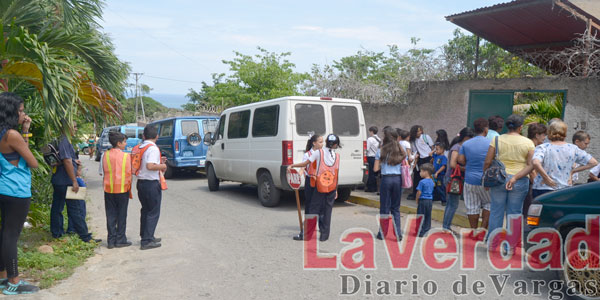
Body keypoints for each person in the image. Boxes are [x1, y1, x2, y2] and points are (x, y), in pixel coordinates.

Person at [0, 92, 40, 294]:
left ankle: (2, 277)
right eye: (21, 110)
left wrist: (24, 129)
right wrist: (24, 132)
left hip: (3, 187)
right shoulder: (12, 135)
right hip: (17, 190)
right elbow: (32, 161)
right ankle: (14, 282)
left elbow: (17, 152)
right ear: (10, 112)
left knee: (4, 233)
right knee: (11, 236)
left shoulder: (3, 134)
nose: (23, 114)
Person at [484, 114, 535, 251]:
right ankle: (509, 246)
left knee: (496, 211)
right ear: (521, 127)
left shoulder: (496, 140)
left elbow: (488, 161)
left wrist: (486, 179)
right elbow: (530, 165)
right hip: (519, 179)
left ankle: (492, 244)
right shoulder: (528, 143)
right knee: (515, 213)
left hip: (499, 179)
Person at [50, 121, 100, 243]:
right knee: (75, 208)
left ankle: (57, 233)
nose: (76, 129)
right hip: (66, 180)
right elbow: (67, 161)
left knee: (57, 207)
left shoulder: (59, 140)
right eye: (74, 127)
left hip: (59, 179)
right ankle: (85, 236)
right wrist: (74, 181)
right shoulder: (65, 141)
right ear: (67, 128)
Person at [287, 134, 341, 242]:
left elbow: (306, 163)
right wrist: (336, 189)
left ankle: (306, 235)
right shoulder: (337, 156)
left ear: (326, 141)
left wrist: (292, 165)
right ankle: (324, 235)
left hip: (320, 185)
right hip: (331, 186)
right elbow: (336, 173)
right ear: (335, 145)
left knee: (313, 210)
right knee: (327, 210)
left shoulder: (318, 153)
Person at [532, 121, 598, 198]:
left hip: (543, 187)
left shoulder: (543, 147)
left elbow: (536, 162)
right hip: (564, 189)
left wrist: (546, 177)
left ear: (549, 132)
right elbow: (593, 162)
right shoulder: (573, 149)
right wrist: (572, 171)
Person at [99, 132, 132, 249]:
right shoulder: (126, 156)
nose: (126, 144)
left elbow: (101, 172)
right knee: (121, 215)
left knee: (111, 215)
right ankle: (120, 239)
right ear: (119, 143)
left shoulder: (105, 155)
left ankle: (111, 241)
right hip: (122, 189)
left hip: (108, 189)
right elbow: (129, 174)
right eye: (124, 142)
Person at [136, 125, 167, 250]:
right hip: (151, 183)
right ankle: (147, 241)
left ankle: (146, 235)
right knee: (153, 212)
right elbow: (150, 165)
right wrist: (162, 166)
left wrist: (158, 162)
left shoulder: (141, 147)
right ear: (157, 136)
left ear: (143, 136)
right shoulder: (153, 148)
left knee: (145, 210)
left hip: (141, 182)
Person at [457, 118, 491, 229]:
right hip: (487, 181)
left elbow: (461, 160)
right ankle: (483, 229)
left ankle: (474, 230)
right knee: (489, 204)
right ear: (485, 130)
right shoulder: (491, 143)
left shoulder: (466, 144)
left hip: (470, 179)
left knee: (472, 206)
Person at [374, 130, 406, 240]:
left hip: (386, 179)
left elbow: (375, 168)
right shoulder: (399, 151)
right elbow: (405, 157)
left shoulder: (380, 151)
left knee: (384, 208)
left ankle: (382, 233)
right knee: (396, 208)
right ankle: (398, 234)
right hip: (397, 179)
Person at [442, 127, 474, 232]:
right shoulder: (457, 147)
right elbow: (452, 164)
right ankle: (446, 227)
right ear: (465, 137)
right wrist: (465, 168)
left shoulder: (459, 146)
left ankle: (445, 226)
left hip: (452, 178)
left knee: (450, 204)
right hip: (453, 179)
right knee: (453, 205)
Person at [293, 134, 323, 241]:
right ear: (314, 143)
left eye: (322, 142)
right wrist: (298, 176)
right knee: (309, 205)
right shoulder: (307, 154)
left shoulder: (323, 153)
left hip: (321, 181)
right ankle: (307, 227)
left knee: (320, 204)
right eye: (320, 142)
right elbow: (303, 167)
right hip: (310, 182)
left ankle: (319, 226)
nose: (322, 144)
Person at [522, 123, 547, 216]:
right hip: (530, 183)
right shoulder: (533, 148)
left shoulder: (527, 145)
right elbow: (532, 169)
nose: (545, 137)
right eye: (544, 134)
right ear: (537, 135)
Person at [407, 125, 433, 200]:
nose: (419, 132)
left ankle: (427, 193)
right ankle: (415, 193)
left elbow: (432, 147)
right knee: (417, 176)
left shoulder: (426, 137)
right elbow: (415, 151)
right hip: (420, 159)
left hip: (428, 158)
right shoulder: (413, 140)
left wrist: (432, 157)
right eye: (418, 131)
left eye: (420, 130)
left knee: (428, 176)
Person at [415, 163, 435, 237]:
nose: (420, 173)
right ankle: (426, 230)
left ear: (425, 172)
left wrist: (417, 199)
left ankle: (420, 231)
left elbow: (419, 192)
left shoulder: (422, 182)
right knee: (428, 215)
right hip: (429, 200)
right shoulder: (432, 182)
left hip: (423, 200)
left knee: (420, 215)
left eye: (421, 171)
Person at [365, 126, 381, 193]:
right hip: (377, 157)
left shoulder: (370, 139)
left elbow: (367, 149)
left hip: (371, 157)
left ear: (371, 131)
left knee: (371, 173)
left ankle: (371, 188)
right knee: (375, 173)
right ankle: (374, 187)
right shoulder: (379, 139)